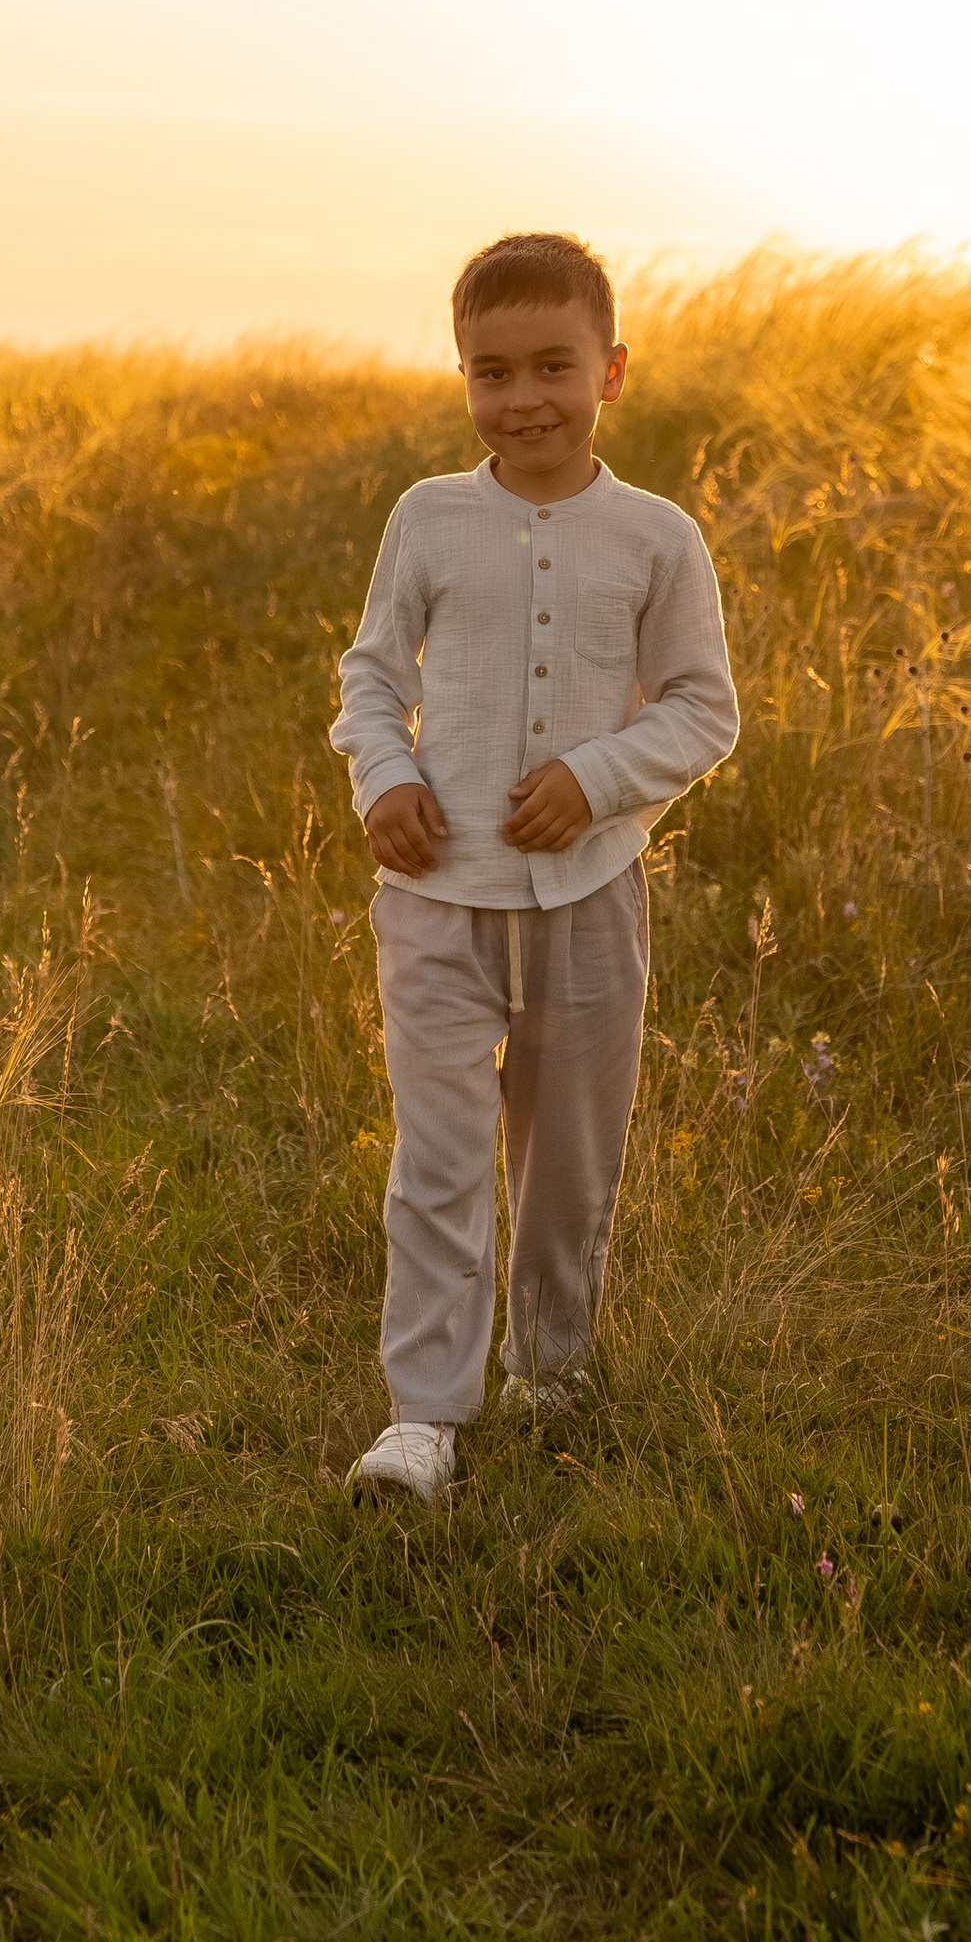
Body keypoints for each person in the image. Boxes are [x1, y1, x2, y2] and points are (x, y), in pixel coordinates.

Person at [329, 231, 739, 1500]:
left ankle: (550, 1374)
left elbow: (701, 708)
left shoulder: (657, 539)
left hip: (589, 902)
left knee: (568, 1157)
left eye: (552, 367)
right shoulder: (429, 519)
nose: (522, 401)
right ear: (462, 378)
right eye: (489, 373)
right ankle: (424, 1418)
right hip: (435, 908)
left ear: (610, 372)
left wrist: (595, 779)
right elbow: (367, 678)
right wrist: (386, 779)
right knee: (440, 1158)